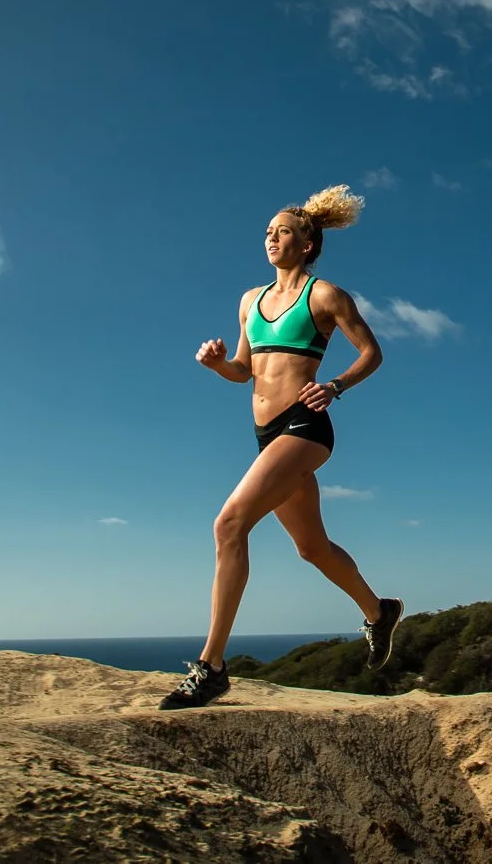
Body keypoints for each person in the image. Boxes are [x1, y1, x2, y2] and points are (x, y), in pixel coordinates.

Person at [159, 185, 403, 710]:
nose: (271, 238)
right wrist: (216, 363)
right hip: (267, 435)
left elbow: (372, 353)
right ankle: (379, 612)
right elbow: (244, 371)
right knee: (312, 548)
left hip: (306, 427)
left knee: (229, 524)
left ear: (308, 243)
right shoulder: (250, 300)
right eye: (267, 232)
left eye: (283, 231)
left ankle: (212, 667)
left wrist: (336, 386)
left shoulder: (325, 295)